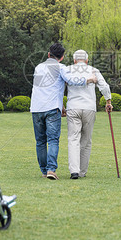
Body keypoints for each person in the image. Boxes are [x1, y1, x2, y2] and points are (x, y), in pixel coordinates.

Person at [30, 43, 97, 180]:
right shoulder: (61, 68)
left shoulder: (38, 67)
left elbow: (44, 88)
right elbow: (72, 80)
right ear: (62, 57)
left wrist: (63, 107)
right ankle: (51, 170)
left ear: (49, 55)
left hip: (36, 108)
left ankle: (44, 171)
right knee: (53, 140)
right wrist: (89, 79)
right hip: (52, 108)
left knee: (40, 141)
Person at [65, 49, 112, 180]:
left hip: (73, 107)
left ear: (74, 60)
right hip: (89, 108)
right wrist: (108, 101)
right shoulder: (93, 70)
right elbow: (104, 87)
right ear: (86, 60)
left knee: (73, 139)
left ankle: (74, 171)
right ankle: (82, 172)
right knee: (86, 140)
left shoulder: (67, 70)